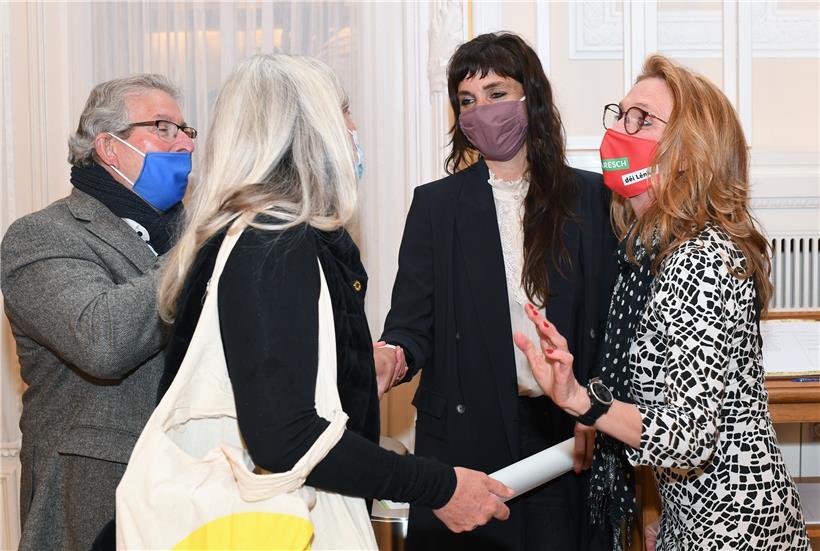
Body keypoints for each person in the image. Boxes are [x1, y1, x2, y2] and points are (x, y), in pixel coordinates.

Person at [156, 53, 513, 543]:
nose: (354, 127)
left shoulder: (277, 237)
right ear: (310, 130)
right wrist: (440, 486)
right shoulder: (271, 243)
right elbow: (286, 436)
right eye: (343, 111)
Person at [514, 54, 810, 551]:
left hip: (735, 531)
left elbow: (687, 435)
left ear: (690, 151)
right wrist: (673, 522)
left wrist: (579, 399)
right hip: (697, 519)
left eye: (642, 119)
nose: (620, 131)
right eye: (621, 114)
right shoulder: (650, 253)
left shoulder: (697, 260)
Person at [376, 32, 618, 550]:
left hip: (562, 433)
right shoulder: (436, 207)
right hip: (465, 438)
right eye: (467, 100)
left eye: (496, 92)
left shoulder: (592, 198)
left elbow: (611, 330)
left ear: (531, 96)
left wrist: (596, 410)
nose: (481, 109)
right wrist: (391, 355)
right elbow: (411, 325)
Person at [1, 74, 195, 550]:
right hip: (91, 501)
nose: (184, 143)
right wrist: (197, 247)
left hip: (194, 489)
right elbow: (102, 341)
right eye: (163, 128)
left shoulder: (191, 235)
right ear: (109, 147)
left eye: (186, 130)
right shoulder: (42, 236)